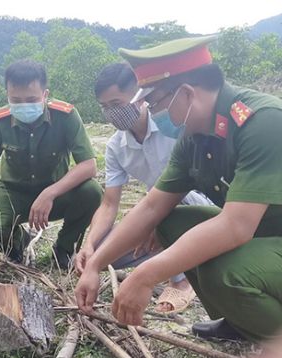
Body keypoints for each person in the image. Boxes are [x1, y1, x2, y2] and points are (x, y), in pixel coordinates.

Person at [75, 35, 282, 355]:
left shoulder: (266, 122)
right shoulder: (196, 135)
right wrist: (95, 264)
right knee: (170, 223)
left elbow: (236, 227)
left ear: (186, 94)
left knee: (225, 273)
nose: (153, 112)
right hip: (271, 238)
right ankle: (240, 317)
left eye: (156, 103)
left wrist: (145, 276)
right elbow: (151, 207)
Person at [75, 63, 212, 314]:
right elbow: (109, 203)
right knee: (106, 253)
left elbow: (185, 186)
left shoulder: (173, 127)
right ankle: (174, 257)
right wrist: (91, 245)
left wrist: (156, 220)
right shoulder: (117, 146)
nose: (111, 113)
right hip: (154, 211)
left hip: (195, 206)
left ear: (139, 96)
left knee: (172, 210)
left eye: (116, 104)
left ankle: (181, 280)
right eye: (105, 107)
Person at [0, 59, 102, 269]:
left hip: (57, 194)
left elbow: (89, 165)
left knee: (92, 192)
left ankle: (64, 248)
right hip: (13, 192)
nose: (23, 105)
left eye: (31, 99)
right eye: (16, 99)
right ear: (7, 95)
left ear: (45, 94)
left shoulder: (66, 116)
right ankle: (16, 244)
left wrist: (49, 193)